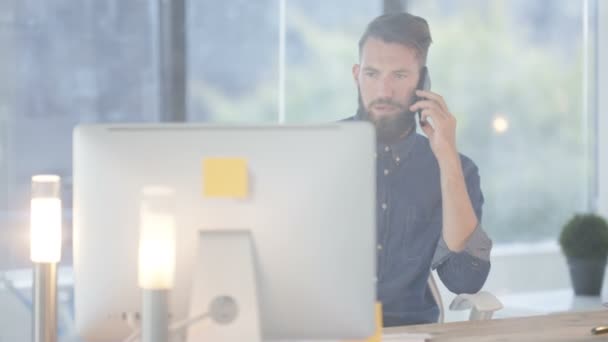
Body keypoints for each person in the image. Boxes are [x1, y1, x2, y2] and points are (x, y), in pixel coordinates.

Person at [346, 12, 492, 326]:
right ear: (356, 74)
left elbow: (465, 278)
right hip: (322, 331)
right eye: (372, 73)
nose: (383, 90)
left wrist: (447, 159)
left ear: (422, 82)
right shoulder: (318, 152)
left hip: (410, 332)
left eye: (399, 75)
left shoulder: (457, 169)